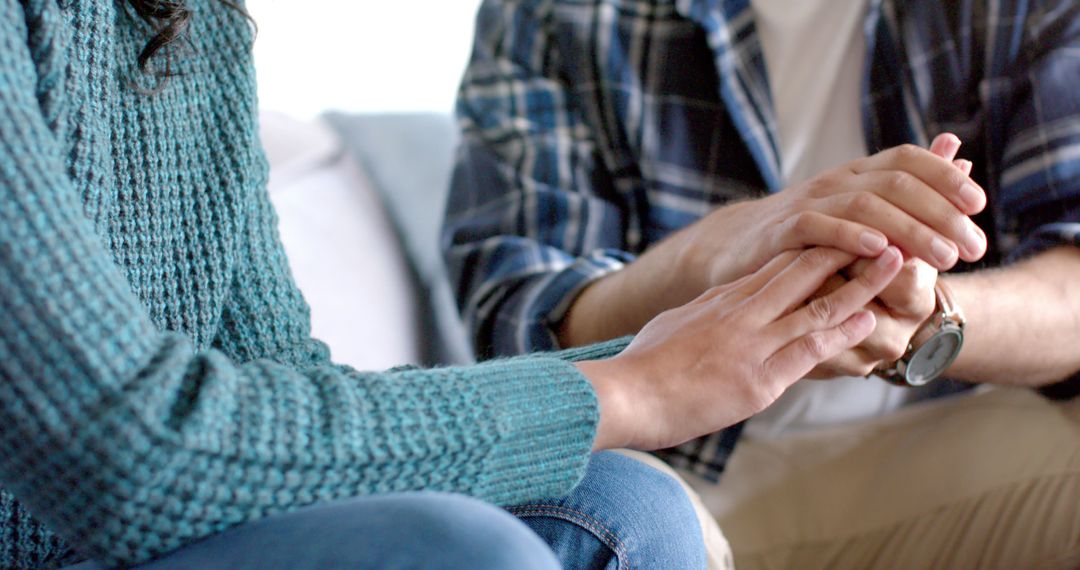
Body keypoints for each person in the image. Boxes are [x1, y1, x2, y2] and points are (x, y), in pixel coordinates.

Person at [0, 1, 906, 568]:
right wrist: (633, 387)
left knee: (628, 505)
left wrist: (718, 342)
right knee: (458, 552)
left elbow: (292, 394)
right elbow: (118, 443)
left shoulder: (194, 27)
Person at [444, 0, 1080, 567]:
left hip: (941, 452)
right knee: (619, 513)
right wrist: (715, 253)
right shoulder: (553, 14)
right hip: (677, 478)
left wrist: (924, 322)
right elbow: (516, 315)